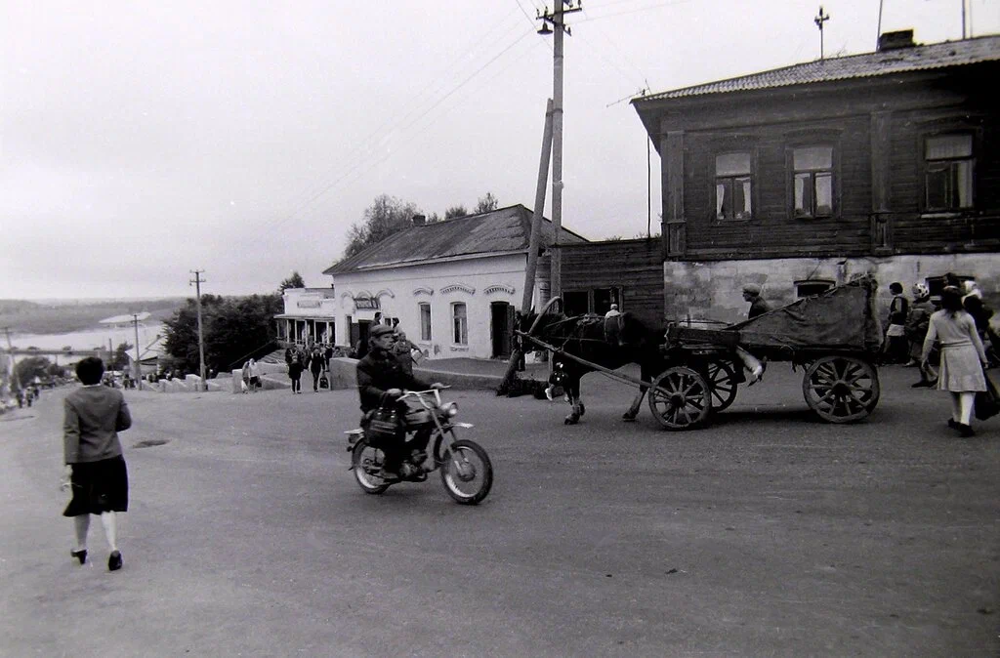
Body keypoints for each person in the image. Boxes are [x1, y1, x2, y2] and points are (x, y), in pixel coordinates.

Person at [61, 356, 131, 572]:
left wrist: (69, 463)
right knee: (108, 505)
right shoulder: (115, 395)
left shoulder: (72, 400)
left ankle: (81, 547)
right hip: (111, 457)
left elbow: (71, 432)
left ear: (78, 376)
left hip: (84, 461)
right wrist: (107, 431)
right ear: (102, 373)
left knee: (81, 503)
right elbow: (125, 422)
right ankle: (113, 549)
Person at [356, 324, 444, 479]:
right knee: (398, 426)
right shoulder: (365, 364)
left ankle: (413, 454)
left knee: (430, 418)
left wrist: (430, 387)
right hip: (377, 408)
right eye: (386, 338)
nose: (390, 341)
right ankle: (389, 467)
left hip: (398, 406)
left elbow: (408, 380)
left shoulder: (393, 359)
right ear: (375, 341)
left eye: (392, 337)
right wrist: (385, 393)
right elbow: (365, 388)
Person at [921, 286, 990, 437]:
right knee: (968, 388)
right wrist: (984, 358)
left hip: (948, 353)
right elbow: (976, 340)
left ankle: (957, 418)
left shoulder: (936, 317)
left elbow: (930, 338)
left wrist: (924, 356)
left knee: (954, 387)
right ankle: (965, 421)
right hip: (968, 352)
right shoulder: (966, 317)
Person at [905, 283, 937, 388]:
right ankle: (924, 378)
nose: (915, 295)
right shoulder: (914, 304)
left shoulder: (929, 305)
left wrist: (920, 327)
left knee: (918, 356)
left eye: (917, 292)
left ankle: (934, 375)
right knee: (915, 356)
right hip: (913, 333)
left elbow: (930, 320)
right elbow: (909, 317)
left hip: (921, 334)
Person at [882, 282, 910, 364]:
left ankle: (886, 356)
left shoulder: (898, 298)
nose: (890, 290)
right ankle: (897, 357)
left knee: (889, 338)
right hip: (900, 322)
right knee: (897, 340)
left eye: (891, 289)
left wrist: (891, 313)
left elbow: (898, 310)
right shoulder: (904, 298)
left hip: (896, 322)